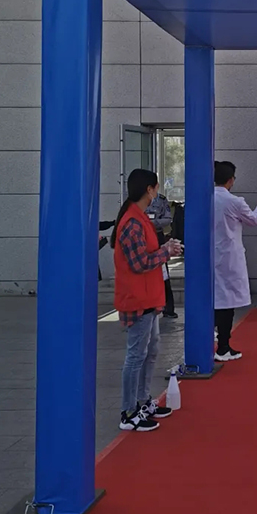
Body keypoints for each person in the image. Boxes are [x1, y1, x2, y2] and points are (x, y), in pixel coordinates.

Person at [112, 169, 182, 433]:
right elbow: (140, 263)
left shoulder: (138, 218)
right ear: (149, 190)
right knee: (136, 356)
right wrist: (166, 252)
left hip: (148, 297)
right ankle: (128, 411)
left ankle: (142, 402)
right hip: (137, 298)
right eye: (156, 188)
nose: (157, 193)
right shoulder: (132, 222)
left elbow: (147, 255)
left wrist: (164, 249)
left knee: (150, 352)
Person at [214, 161, 257, 362]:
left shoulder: (206, 199)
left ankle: (212, 339)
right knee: (227, 303)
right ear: (230, 180)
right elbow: (254, 220)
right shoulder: (234, 201)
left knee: (214, 300)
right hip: (229, 257)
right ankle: (223, 346)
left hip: (211, 256)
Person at [147, 191, 177, 319]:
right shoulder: (139, 199)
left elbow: (167, 219)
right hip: (143, 234)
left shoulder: (161, 200)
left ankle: (168, 308)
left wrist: (152, 223)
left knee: (163, 272)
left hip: (157, 234)